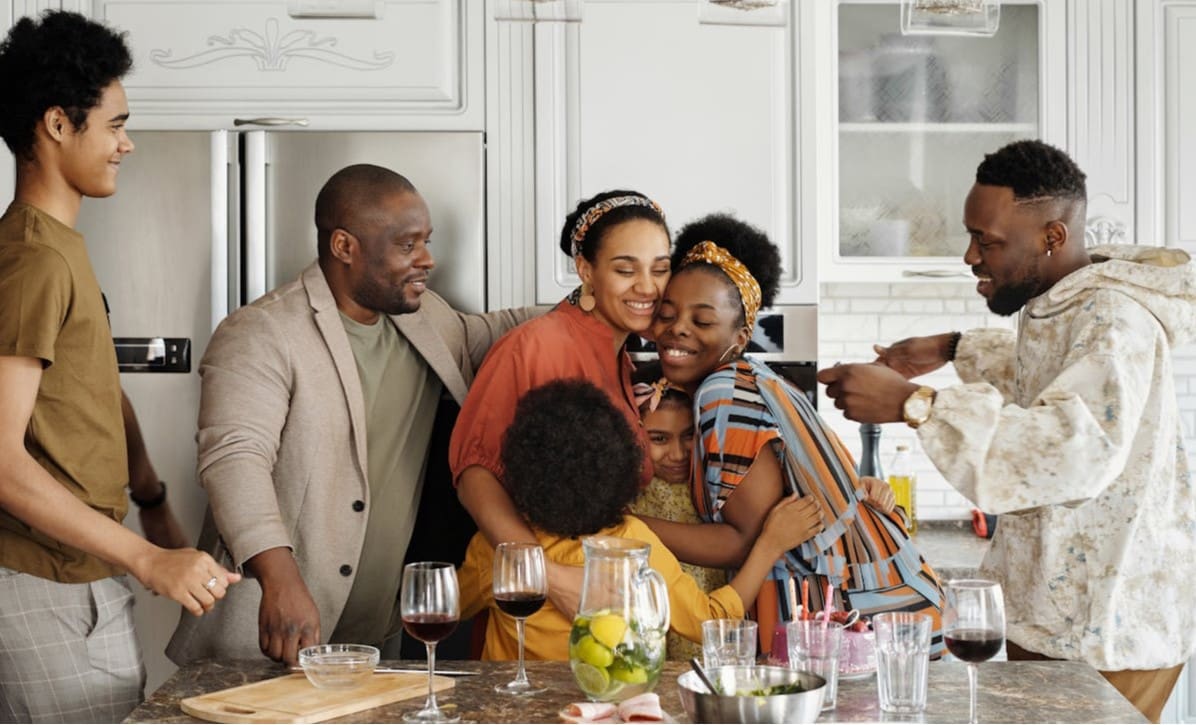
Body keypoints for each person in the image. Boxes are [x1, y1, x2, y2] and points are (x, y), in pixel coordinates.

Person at [818, 139, 1196, 723]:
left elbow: (1071, 451)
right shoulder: (1066, 304)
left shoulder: (1115, 317)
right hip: (1054, 618)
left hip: (1109, 627)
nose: (971, 255)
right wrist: (950, 348)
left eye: (987, 241)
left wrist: (915, 405)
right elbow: (1043, 375)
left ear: (1052, 236)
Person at [166, 164, 538, 667]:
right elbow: (234, 460)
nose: (427, 260)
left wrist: (600, 297)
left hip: (376, 639)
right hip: (271, 631)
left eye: (426, 241)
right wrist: (280, 579)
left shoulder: (425, 318)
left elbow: (496, 333)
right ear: (344, 246)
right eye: (408, 246)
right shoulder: (261, 332)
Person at [0, 11, 239, 722]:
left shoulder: (58, 248)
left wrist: (153, 498)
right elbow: (3, 460)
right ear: (57, 125)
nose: (127, 144)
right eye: (115, 124)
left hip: (77, 576)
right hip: (45, 582)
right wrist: (148, 557)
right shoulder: (33, 258)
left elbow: (90, 389)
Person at [643, 212, 945, 659]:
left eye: (702, 320)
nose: (678, 328)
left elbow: (744, 540)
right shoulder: (759, 378)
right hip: (890, 603)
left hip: (851, 617)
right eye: (667, 315)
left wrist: (629, 529)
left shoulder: (722, 391)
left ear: (741, 335)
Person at [457, 379, 821, 661]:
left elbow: (451, 609)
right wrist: (770, 544)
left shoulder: (494, 548)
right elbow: (712, 620)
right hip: (610, 702)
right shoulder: (633, 540)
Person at [450, 190, 671, 617]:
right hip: (537, 603)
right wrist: (549, 578)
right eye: (625, 269)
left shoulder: (622, 360)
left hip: (601, 595)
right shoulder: (534, 346)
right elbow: (475, 476)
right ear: (585, 269)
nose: (648, 287)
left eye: (659, 269)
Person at [627, 372, 727, 662]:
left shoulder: (712, 481)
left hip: (709, 608)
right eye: (659, 439)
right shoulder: (628, 492)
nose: (678, 453)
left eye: (689, 435)